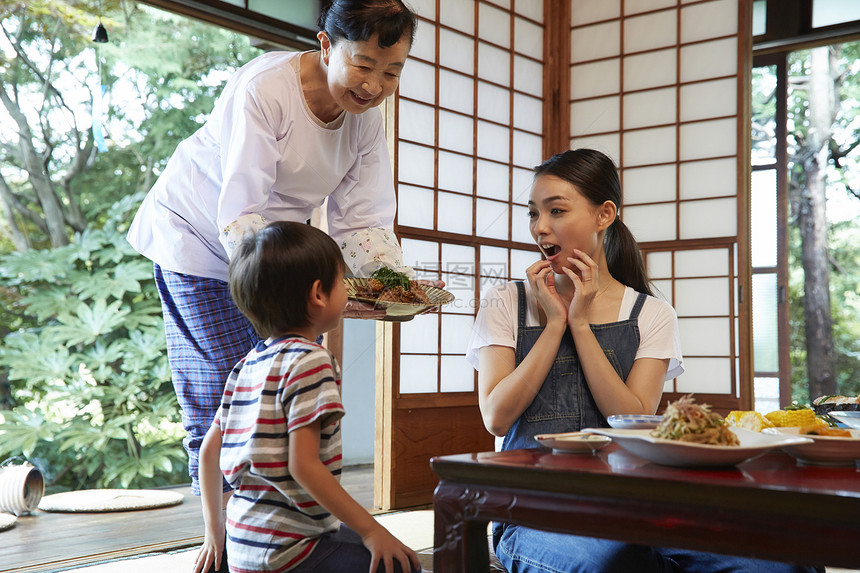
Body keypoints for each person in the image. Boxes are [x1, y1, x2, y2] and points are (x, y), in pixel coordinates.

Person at [464, 148, 817, 573]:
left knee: (778, 565)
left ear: (604, 214)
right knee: (617, 563)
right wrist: (554, 324)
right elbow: (497, 418)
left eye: (556, 210)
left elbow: (630, 416)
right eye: (533, 214)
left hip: (635, 505)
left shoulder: (650, 313)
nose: (540, 228)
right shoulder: (506, 301)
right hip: (532, 512)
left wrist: (580, 325)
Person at [126, 0, 417, 499]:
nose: (374, 86)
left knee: (295, 380)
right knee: (226, 390)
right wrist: (284, 293)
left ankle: (289, 526)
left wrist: (391, 289)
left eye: (391, 72)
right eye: (363, 65)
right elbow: (241, 210)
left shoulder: (366, 119)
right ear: (326, 46)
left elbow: (364, 218)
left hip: (277, 252)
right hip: (200, 236)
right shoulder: (266, 88)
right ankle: (222, 538)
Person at [192, 221, 421, 573]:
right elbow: (303, 465)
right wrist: (374, 530)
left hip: (243, 545)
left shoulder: (247, 365)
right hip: (290, 550)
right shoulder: (312, 359)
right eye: (342, 281)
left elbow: (209, 452)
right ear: (318, 294)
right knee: (401, 564)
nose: (347, 291)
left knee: (353, 536)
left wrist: (214, 534)